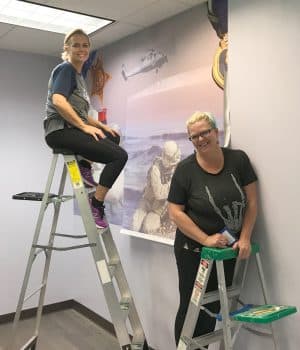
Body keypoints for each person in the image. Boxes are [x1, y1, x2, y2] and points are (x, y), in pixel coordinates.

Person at [167, 111, 257, 346]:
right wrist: (205, 239)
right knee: (191, 308)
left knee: (212, 306)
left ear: (216, 132)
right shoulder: (185, 170)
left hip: (225, 250)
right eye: (193, 136)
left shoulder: (238, 160)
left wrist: (245, 237)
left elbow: (253, 203)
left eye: (204, 132)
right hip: (193, 251)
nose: (200, 139)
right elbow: (175, 212)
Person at [44, 28, 128, 228]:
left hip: (72, 129)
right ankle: (96, 203)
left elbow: (82, 112)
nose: (81, 49)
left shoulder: (80, 78)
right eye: (76, 45)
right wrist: (84, 126)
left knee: (112, 136)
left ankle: (84, 165)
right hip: (59, 131)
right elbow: (58, 101)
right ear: (67, 48)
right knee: (119, 156)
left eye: (85, 45)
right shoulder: (65, 69)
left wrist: (100, 126)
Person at [132, 140, 180, 237]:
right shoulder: (155, 168)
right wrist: (173, 183)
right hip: (146, 202)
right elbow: (159, 194)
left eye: (171, 158)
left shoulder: (177, 170)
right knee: (134, 225)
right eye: (167, 156)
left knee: (149, 228)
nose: (169, 160)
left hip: (158, 209)